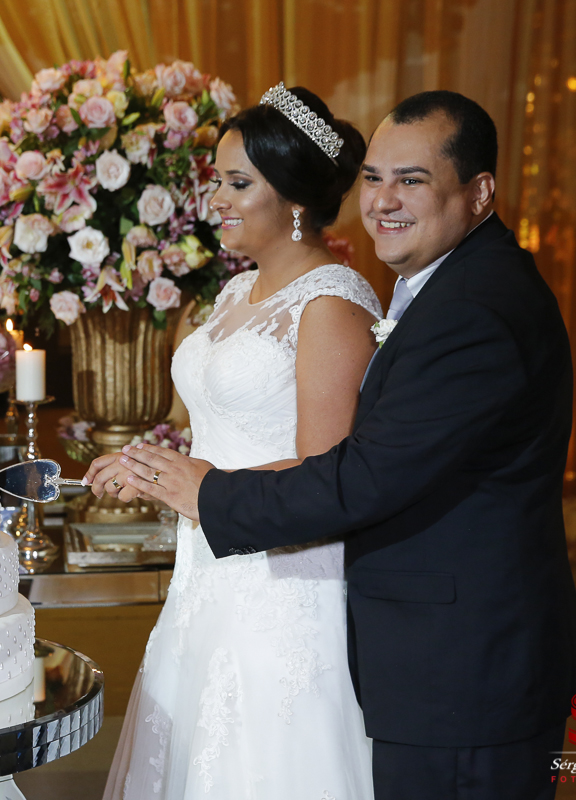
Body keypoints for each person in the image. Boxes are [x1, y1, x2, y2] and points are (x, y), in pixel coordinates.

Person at [113, 91, 576, 800]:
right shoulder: (447, 285)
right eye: (373, 177)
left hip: (465, 670)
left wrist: (206, 491)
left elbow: (360, 476)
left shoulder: (475, 309)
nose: (383, 200)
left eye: (412, 179)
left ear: (480, 191)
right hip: (427, 653)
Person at [89, 84, 381, 800]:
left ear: (295, 200)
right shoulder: (230, 294)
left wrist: (181, 482)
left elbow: (329, 473)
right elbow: (215, 432)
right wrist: (144, 468)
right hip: (209, 569)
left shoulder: (331, 305)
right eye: (217, 180)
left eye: (237, 183)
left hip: (284, 582)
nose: (214, 199)